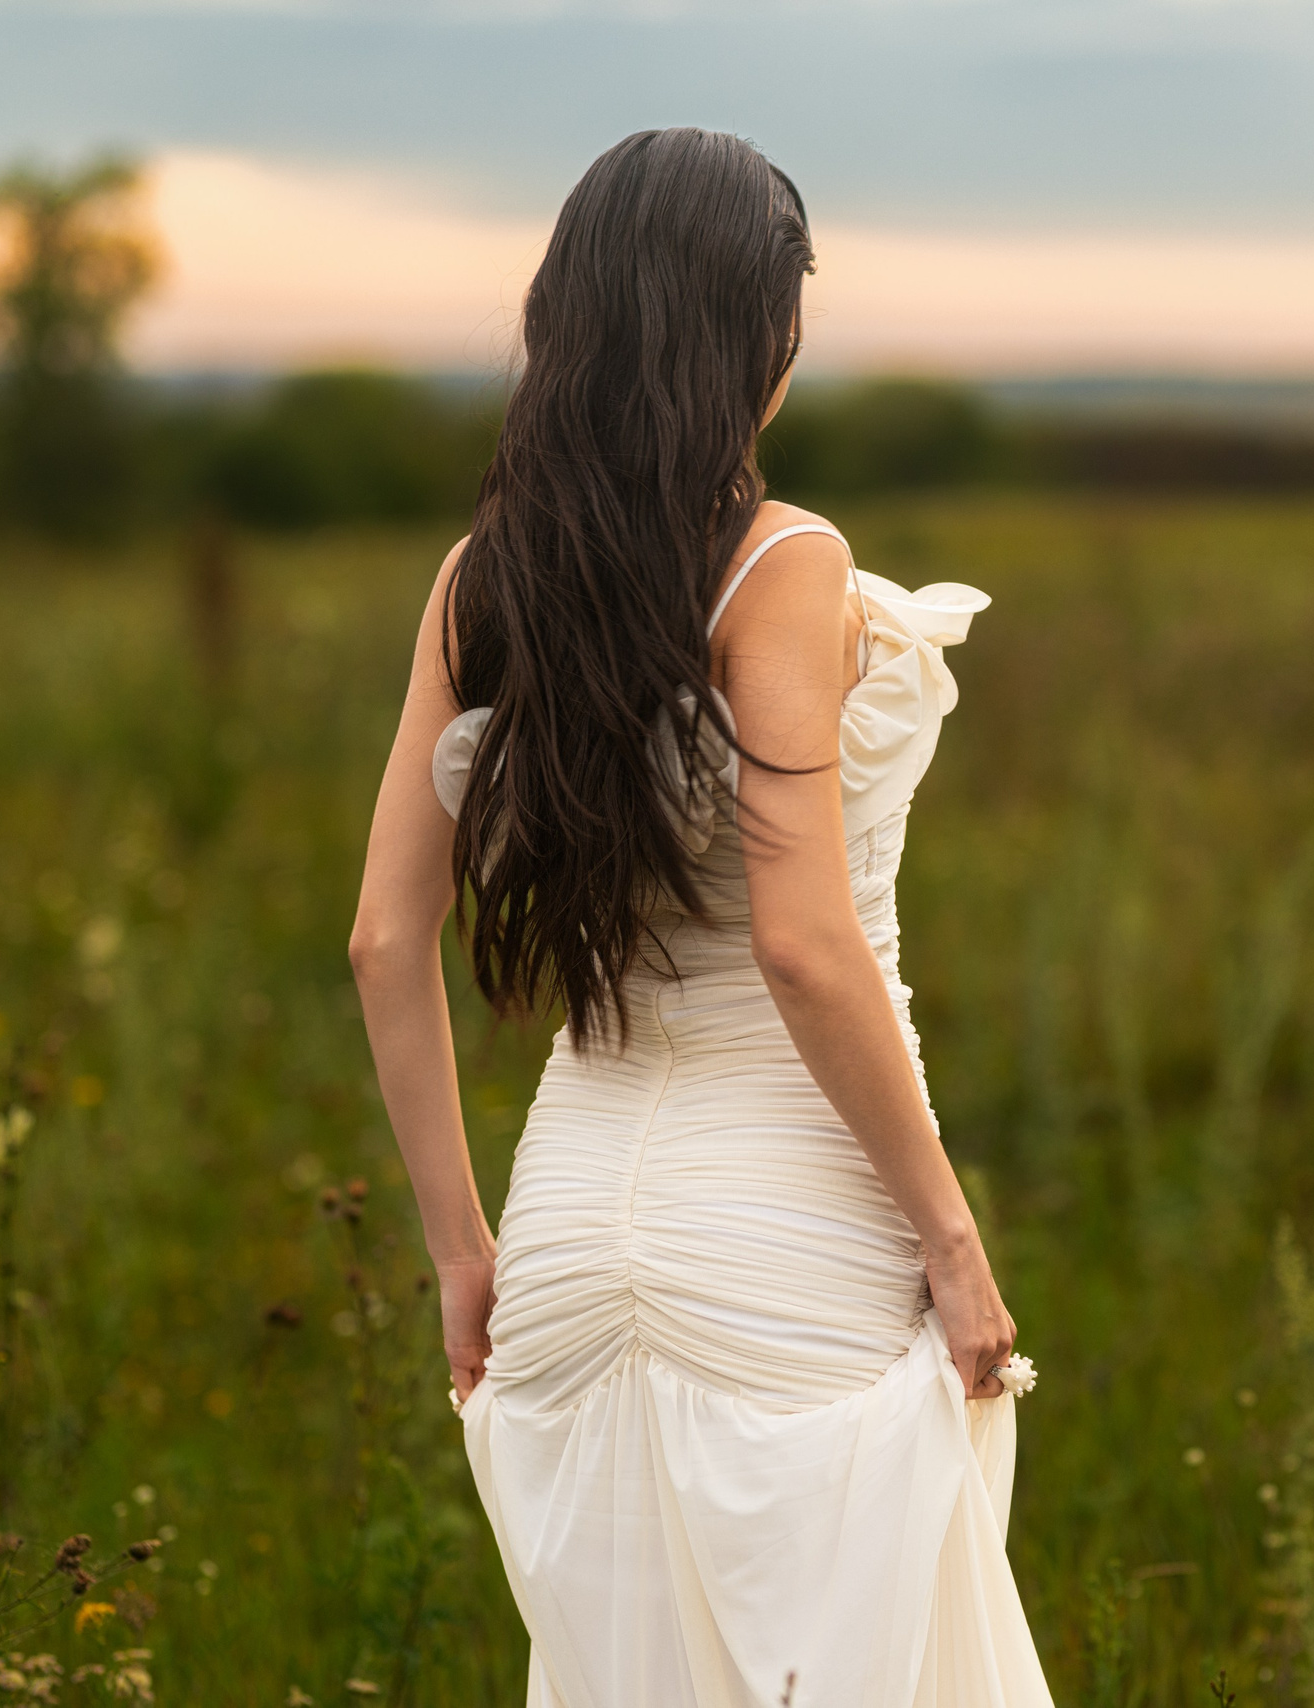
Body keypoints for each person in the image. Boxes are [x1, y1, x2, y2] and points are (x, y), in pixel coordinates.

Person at [348, 128, 1052, 1708]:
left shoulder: (484, 583)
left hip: (564, 1235)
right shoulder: (782, 563)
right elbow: (804, 944)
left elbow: (385, 944)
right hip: (789, 1226)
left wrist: (460, 1248)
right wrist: (952, 1239)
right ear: (757, 335)